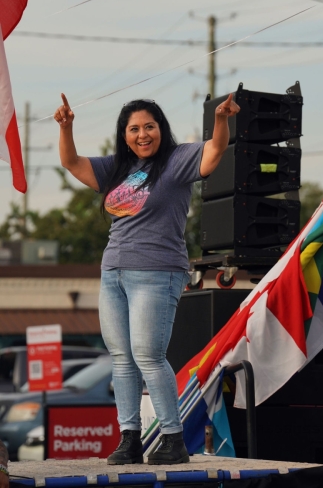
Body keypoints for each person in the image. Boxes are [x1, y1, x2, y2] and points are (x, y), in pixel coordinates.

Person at [54, 92, 240, 465]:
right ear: (124, 135)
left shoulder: (176, 160)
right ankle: (130, 438)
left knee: (148, 355)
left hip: (157, 271)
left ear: (160, 129)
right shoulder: (115, 168)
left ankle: (173, 438)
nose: (142, 134)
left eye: (149, 127)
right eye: (134, 129)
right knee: (121, 358)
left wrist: (222, 120)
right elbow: (71, 162)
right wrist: (66, 127)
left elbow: (216, 151)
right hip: (113, 272)